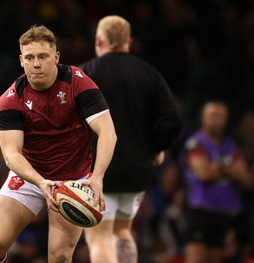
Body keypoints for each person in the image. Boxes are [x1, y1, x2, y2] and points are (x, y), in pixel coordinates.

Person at [0, 25, 117, 263]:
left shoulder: (79, 83)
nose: (36, 64)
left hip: (73, 180)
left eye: (43, 56)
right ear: (21, 61)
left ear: (56, 57)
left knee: (60, 256)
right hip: (30, 176)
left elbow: (108, 132)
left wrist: (97, 177)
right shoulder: (10, 100)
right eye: (30, 58)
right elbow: (12, 155)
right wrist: (41, 182)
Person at [79, 15, 182, 263]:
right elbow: (173, 120)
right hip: (138, 170)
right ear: (129, 41)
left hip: (100, 171)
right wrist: (156, 148)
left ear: (99, 40)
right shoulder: (149, 73)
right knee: (123, 230)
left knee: (99, 236)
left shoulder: (85, 74)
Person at [182, 101, 253, 263]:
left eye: (221, 116)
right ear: (203, 118)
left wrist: (217, 168)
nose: (217, 120)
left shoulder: (230, 145)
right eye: (213, 115)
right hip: (199, 210)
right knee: (197, 258)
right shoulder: (196, 142)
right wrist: (229, 169)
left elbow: (245, 177)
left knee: (216, 259)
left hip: (223, 211)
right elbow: (203, 173)